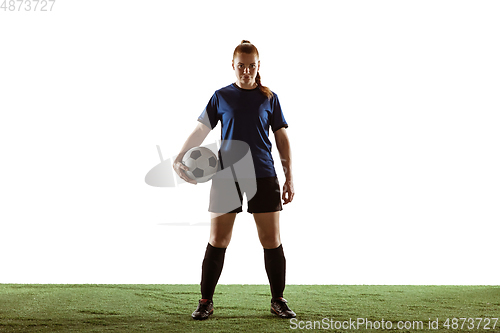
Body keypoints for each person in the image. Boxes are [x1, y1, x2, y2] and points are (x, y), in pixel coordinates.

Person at [172, 40, 295, 320]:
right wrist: (179, 157)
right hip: (227, 176)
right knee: (218, 238)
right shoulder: (221, 97)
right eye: (241, 66)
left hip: (263, 174)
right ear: (233, 65)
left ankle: (278, 300)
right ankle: (205, 302)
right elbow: (201, 129)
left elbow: (282, 139)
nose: (246, 71)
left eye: (252, 66)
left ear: (258, 66)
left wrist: (289, 177)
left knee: (271, 239)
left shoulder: (269, 98)